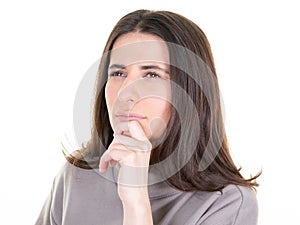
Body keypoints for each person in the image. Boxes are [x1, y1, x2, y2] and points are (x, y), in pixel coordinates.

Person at [35, 9, 261, 225]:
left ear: (190, 91)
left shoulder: (227, 203)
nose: (126, 92)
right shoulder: (76, 177)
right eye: (118, 73)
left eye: (151, 74)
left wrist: (135, 200)